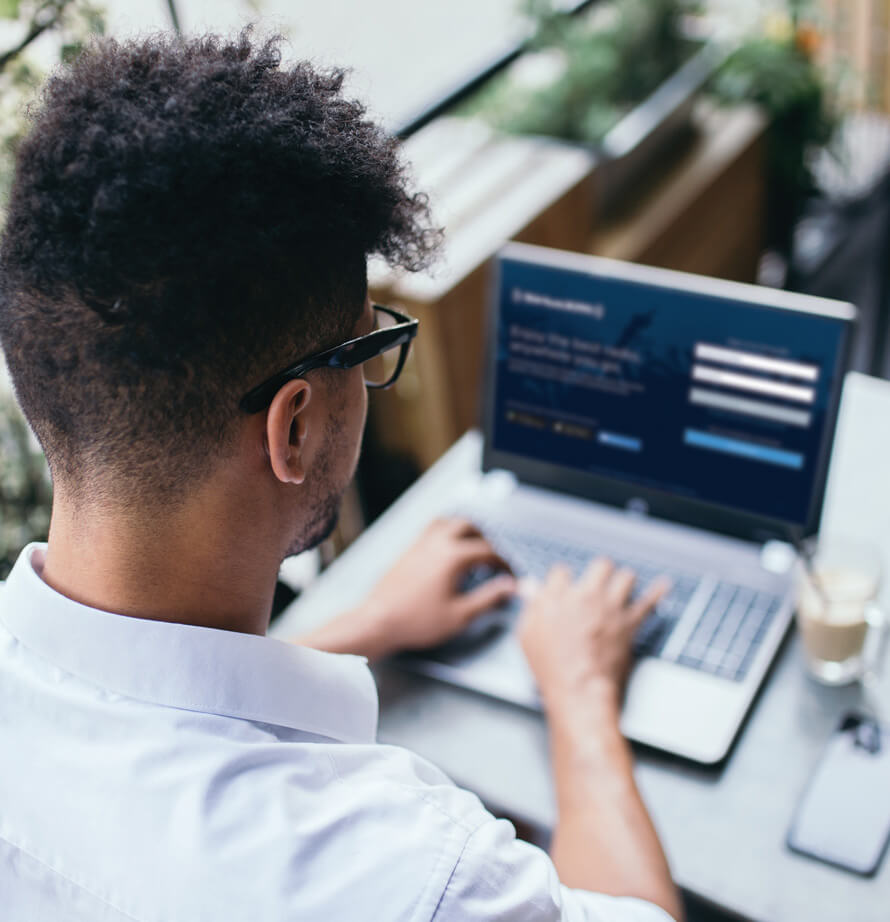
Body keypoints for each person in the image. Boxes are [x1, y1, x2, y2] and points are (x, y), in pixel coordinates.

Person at [0, 31, 682, 922]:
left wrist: (361, 626)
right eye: (368, 348)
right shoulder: (412, 878)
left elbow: (143, 726)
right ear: (295, 426)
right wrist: (582, 691)